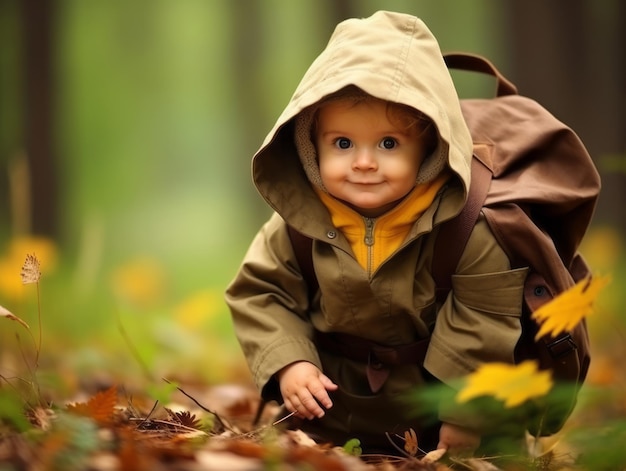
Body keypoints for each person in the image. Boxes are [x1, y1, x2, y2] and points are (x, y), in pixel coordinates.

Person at [225, 10, 526, 456]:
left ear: (429, 148)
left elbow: (485, 321)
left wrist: (467, 413)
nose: (363, 162)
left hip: (448, 422)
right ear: (311, 147)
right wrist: (290, 364)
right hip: (335, 416)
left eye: (388, 143)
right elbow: (261, 292)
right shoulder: (298, 225)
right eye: (342, 144)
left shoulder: (466, 227)